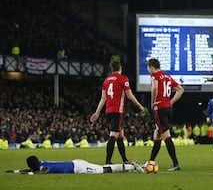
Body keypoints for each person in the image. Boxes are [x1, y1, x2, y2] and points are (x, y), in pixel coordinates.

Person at [90, 60, 145, 164]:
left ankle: (124, 160)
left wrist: (97, 112)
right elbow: (129, 96)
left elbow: (103, 98)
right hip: (117, 110)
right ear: (120, 68)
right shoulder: (123, 79)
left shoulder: (106, 80)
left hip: (108, 110)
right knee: (114, 135)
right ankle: (108, 161)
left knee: (120, 135)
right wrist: (139, 106)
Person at [146, 58, 184, 171]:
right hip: (168, 108)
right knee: (157, 134)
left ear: (152, 67)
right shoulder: (167, 76)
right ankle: (151, 161)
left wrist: (153, 102)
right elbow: (181, 90)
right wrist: (170, 102)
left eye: (149, 68)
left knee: (166, 135)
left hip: (160, 108)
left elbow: (154, 87)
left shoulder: (155, 75)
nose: (149, 70)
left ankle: (176, 163)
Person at [6, 155, 144, 174]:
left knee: (103, 170)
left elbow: (43, 172)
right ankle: (130, 167)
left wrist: (29, 173)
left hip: (79, 167)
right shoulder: (40, 163)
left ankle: (132, 166)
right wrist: (16, 171)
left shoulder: (42, 167)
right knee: (102, 169)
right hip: (76, 165)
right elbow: (34, 169)